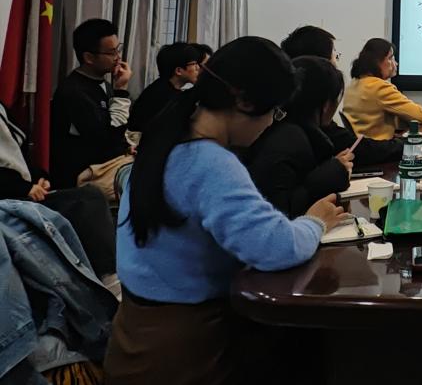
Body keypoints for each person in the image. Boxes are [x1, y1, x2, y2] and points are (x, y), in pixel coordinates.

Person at [104, 37, 347, 385]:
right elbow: (276, 247)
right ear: (244, 101)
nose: (271, 123)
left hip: (133, 337)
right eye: (274, 112)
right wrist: (315, 222)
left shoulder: (167, 134)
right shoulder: (210, 162)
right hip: (183, 351)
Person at [0, 102, 118, 285]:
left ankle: (107, 273)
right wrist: (23, 188)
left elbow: (18, 158)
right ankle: (106, 275)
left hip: (21, 190)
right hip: (10, 198)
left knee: (90, 196)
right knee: (86, 202)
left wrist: (39, 178)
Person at [245, 56, 354, 217]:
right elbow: (282, 211)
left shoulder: (279, 126)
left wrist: (333, 168)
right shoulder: (293, 139)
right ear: (325, 105)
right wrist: (330, 176)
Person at [281, 26, 403, 163]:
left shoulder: (290, 112)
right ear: (318, 63)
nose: (336, 64)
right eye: (335, 55)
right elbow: (358, 150)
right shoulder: (303, 124)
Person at [50, 18, 133, 189]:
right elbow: (105, 140)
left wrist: (126, 147)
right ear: (89, 57)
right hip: (84, 176)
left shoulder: (105, 85)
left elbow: (115, 136)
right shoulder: (74, 91)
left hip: (106, 166)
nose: (118, 57)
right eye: (111, 53)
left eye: (118, 49)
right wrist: (121, 92)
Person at [342, 38, 422, 140]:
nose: (395, 63)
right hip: (379, 146)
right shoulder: (378, 87)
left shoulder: (355, 83)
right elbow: (420, 115)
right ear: (376, 62)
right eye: (390, 58)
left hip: (361, 145)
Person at [129, 42, 201, 133]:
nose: (198, 68)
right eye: (194, 64)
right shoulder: (160, 95)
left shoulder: (165, 88)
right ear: (179, 71)